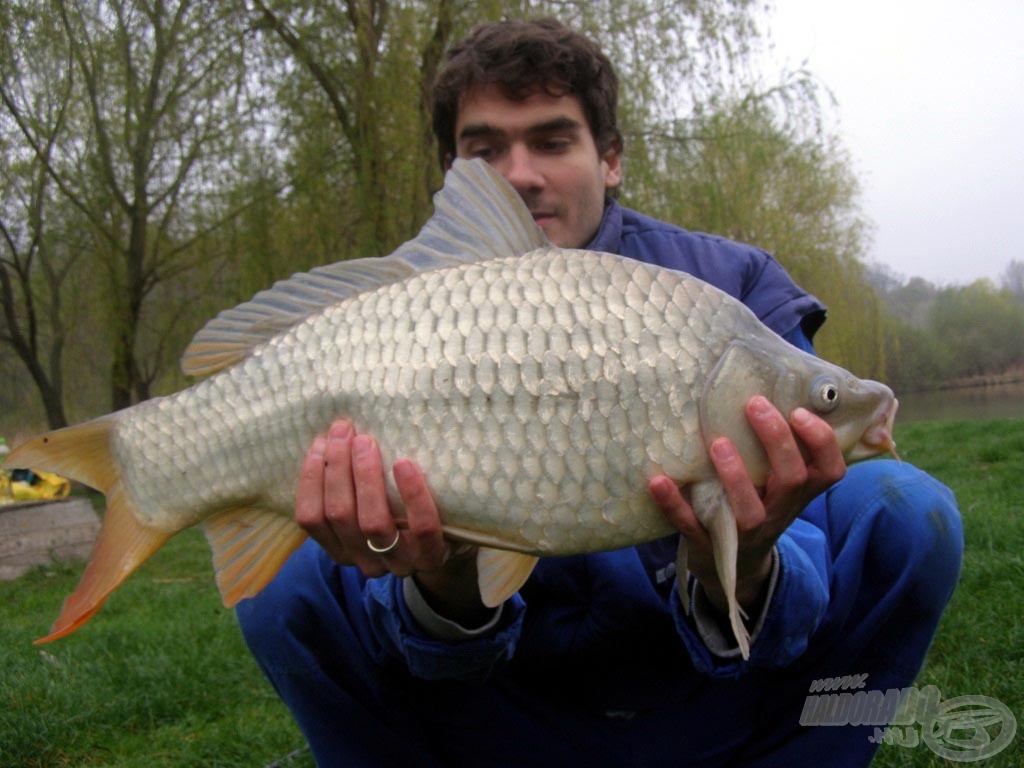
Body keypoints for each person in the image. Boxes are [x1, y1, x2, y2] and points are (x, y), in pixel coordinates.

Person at [237, 19, 962, 767]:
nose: (520, 174)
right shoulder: (400, 313)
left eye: (552, 141)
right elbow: (432, 643)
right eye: (486, 151)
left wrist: (744, 560)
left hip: (709, 699)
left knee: (911, 515)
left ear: (609, 158)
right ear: (453, 173)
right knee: (283, 587)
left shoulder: (732, 292)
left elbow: (796, 609)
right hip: (488, 709)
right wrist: (443, 576)